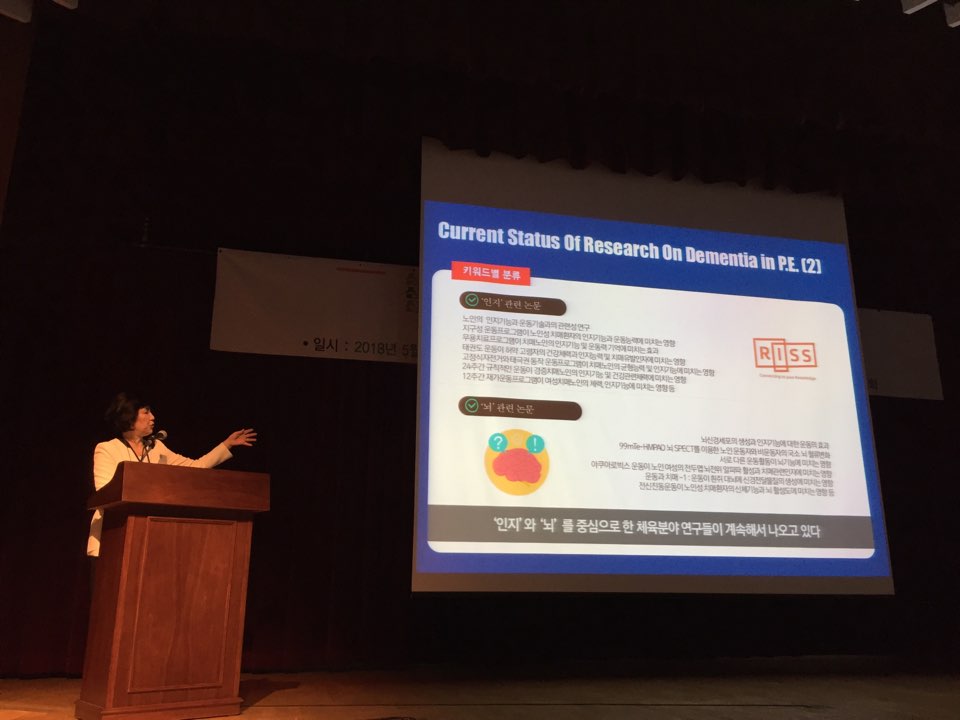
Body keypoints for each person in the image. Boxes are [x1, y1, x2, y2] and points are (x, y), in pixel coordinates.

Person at [87, 392, 257, 557]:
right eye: (146, 412)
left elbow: (195, 467)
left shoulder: (157, 447)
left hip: (151, 534)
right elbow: (105, 492)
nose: (153, 417)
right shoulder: (107, 449)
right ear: (129, 417)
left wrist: (227, 444)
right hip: (113, 533)